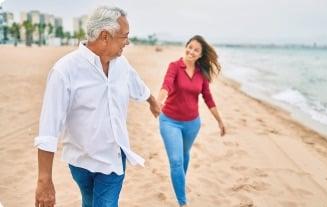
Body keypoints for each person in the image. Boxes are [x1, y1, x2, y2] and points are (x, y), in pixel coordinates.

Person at [34, 6, 160, 207]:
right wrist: (44, 180)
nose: (127, 42)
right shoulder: (64, 71)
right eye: (124, 37)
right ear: (105, 36)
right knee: (89, 201)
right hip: (80, 163)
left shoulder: (122, 64)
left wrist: (152, 101)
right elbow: (48, 129)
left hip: (112, 161)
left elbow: (137, 84)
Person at [157, 35, 226, 206]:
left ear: (201, 55)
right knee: (176, 160)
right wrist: (159, 100)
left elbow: (208, 98)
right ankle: (182, 202)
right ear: (186, 47)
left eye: (196, 50)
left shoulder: (201, 74)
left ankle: (180, 183)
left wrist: (220, 121)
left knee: (184, 154)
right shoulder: (174, 66)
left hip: (192, 124)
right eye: (190, 47)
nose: (191, 51)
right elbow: (167, 84)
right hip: (169, 121)